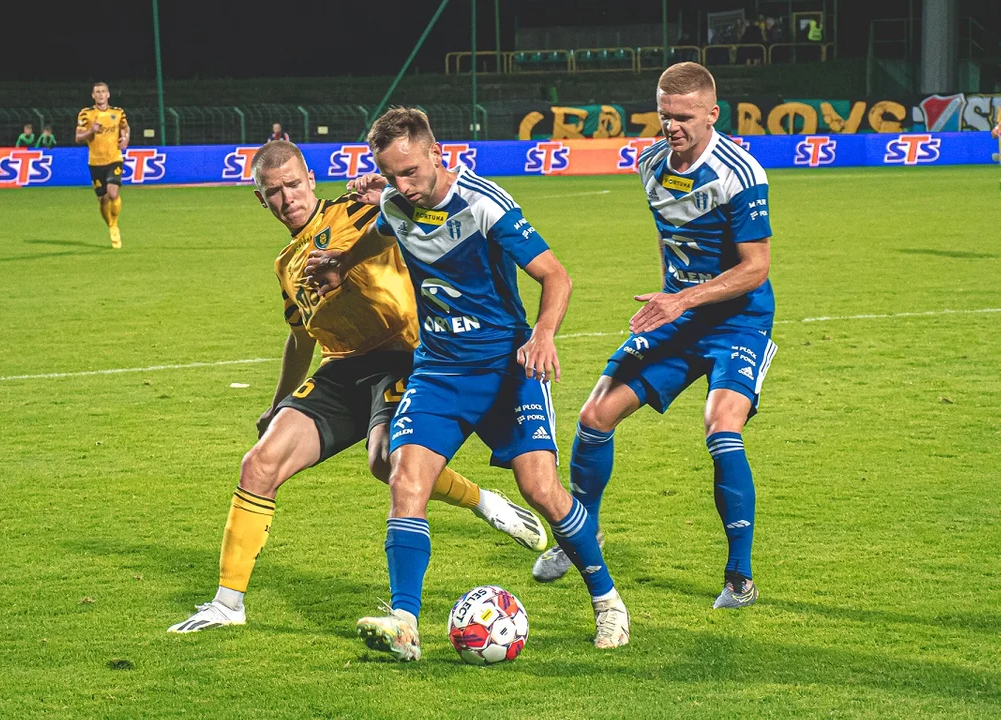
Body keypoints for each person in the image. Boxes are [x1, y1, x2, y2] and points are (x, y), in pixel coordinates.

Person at [167, 139, 547, 634]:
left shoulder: (354, 212)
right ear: (261, 198)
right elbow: (300, 338)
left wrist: (383, 188)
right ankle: (226, 605)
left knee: (385, 462)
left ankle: (484, 502)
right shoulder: (286, 264)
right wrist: (278, 403)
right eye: (274, 192)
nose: (287, 198)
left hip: (405, 355)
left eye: (293, 185)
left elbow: (425, 203)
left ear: (310, 179)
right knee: (259, 463)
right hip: (342, 368)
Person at [325, 108, 629, 662]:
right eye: (391, 175)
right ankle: (404, 624)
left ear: (436, 153)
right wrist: (340, 263)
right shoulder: (394, 204)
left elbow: (555, 275)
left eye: (410, 171)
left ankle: (607, 600)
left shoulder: (484, 203)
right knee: (405, 478)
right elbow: (377, 234)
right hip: (439, 372)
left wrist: (543, 335)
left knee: (542, 491)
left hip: (507, 370)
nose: (402, 186)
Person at [530, 62, 776, 611]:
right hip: (677, 318)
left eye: (684, 117)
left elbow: (756, 267)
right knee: (595, 416)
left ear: (712, 113)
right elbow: (669, 238)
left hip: (738, 321)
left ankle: (740, 577)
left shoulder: (741, 173)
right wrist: (671, 296)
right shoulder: (650, 164)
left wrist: (682, 299)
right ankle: (580, 536)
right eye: (664, 115)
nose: (671, 127)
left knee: (722, 428)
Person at [75, 81, 129, 249]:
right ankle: (110, 225)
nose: (100, 94)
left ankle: (115, 224)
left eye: (103, 91)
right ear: (93, 95)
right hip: (96, 162)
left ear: (108, 94)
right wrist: (91, 131)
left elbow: (125, 128)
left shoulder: (118, 112)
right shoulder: (86, 114)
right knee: (103, 199)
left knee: (113, 193)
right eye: (97, 92)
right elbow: (78, 138)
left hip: (114, 158)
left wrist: (125, 138)